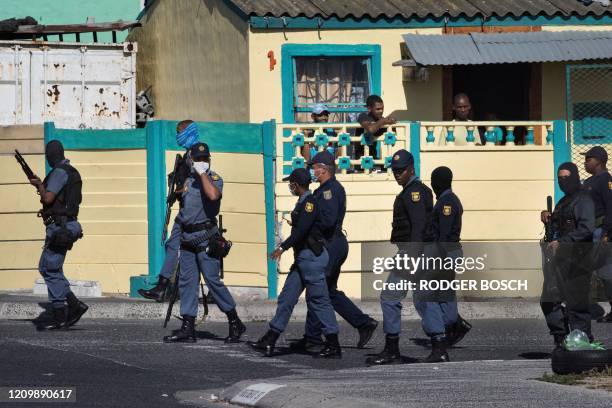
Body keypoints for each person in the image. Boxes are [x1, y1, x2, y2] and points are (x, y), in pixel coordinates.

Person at [291, 151, 378, 352]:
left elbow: (328, 220)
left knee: (318, 289)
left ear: (323, 169)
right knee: (327, 291)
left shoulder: (330, 191)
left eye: (314, 167)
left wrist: (309, 225)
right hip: (331, 244)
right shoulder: (324, 190)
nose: (312, 171)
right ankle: (363, 323)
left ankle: (314, 337)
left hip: (331, 244)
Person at [250, 168, 341, 358]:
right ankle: (271, 339)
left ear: (297, 185)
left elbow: (301, 232)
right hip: (302, 259)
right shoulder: (303, 202)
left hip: (312, 258)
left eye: (291, 183)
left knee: (319, 301)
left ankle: (333, 344)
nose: (289, 186)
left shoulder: (309, 203)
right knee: (287, 298)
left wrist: (282, 248)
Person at [163, 142, 245, 343]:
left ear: (209, 160)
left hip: (206, 238)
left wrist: (202, 174)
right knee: (187, 283)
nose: (201, 162)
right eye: (197, 159)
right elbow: (180, 197)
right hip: (188, 239)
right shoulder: (189, 181)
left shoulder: (214, 179)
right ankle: (188, 326)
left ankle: (235, 321)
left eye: (204, 159)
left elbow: (213, 195)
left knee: (212, 281)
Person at [366, 149, 433, 365]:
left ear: (411, 168)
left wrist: (412, 256)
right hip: (414, 252)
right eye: (395, 170)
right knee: (424, 300)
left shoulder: (415, 192)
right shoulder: (412, 190)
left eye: (401, 170)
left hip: (412, 252)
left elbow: (418, 226)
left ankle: (392, 348)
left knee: (390, 297)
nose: (397, 174)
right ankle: (440, 344)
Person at [414, 166, 471, 363]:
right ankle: (454, 324)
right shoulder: (447, 201)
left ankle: (439, 343)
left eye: (434, 181)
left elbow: (444, 235)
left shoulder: (447, 203)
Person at [29, 140, 88, 330]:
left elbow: (48, 198)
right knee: (51, 268)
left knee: (49, 269)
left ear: (52, 155)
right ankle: (71, 305)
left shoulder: (60, 172)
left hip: (61, 227)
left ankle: (62, 313)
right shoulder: (70, 171)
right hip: (66, 226)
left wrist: (39, 185)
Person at [138, 120, 199, 302]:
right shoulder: (189, 153)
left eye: (180, 131)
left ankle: (165, 287)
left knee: (189, 249)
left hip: (191, 211)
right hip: (186, 209)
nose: (177, 135)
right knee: (175, 246)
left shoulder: (195, 155)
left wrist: (176, 193)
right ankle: (164, 286)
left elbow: (191, 185)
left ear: (189, 132)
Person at [540, 162, 596, 348]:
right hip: (559, 260)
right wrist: (548, 217)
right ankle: (561, 336)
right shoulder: (564, 201)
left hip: (577, 259)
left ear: (574, 176)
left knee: (577, 304)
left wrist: (563, 242)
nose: (563, 181)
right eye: (560, 178)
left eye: (566, 177)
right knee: (549, 299)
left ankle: (583, 343)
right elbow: (558, 224)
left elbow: (586, 229)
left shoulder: (583, 199)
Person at [581, 146, 612, 322]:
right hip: (588, 232)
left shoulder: (606, 180)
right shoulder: (591, 181)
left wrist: (606, 233)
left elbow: (610, 207)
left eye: (588, 159)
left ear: (598, 161)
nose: (585, 162)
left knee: (605, 272)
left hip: (600, 232)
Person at [356, 95, 396, 160]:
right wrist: (383, 121)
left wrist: (392, 126)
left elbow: (392, 143)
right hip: (361, 159)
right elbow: (371, 129)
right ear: (369, 109)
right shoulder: (363, 116)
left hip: (373, 158)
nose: (381, 111)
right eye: (378, 109)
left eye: (382, 108)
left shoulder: (381, 121)